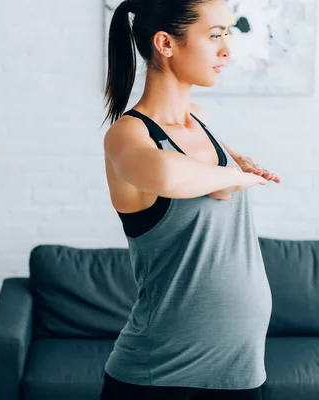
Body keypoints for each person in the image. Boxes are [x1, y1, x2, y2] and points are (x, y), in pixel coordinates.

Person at [101, 0, 281, 399]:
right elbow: (165, 173)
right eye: (215, 36)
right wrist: (236, 177)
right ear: (166, 43)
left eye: (227, 35)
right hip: (160, 378)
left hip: (241, 370)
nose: (226, 50)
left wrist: (233, 163)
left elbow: (196, 167)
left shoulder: (199, 120)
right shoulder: (128, 136)